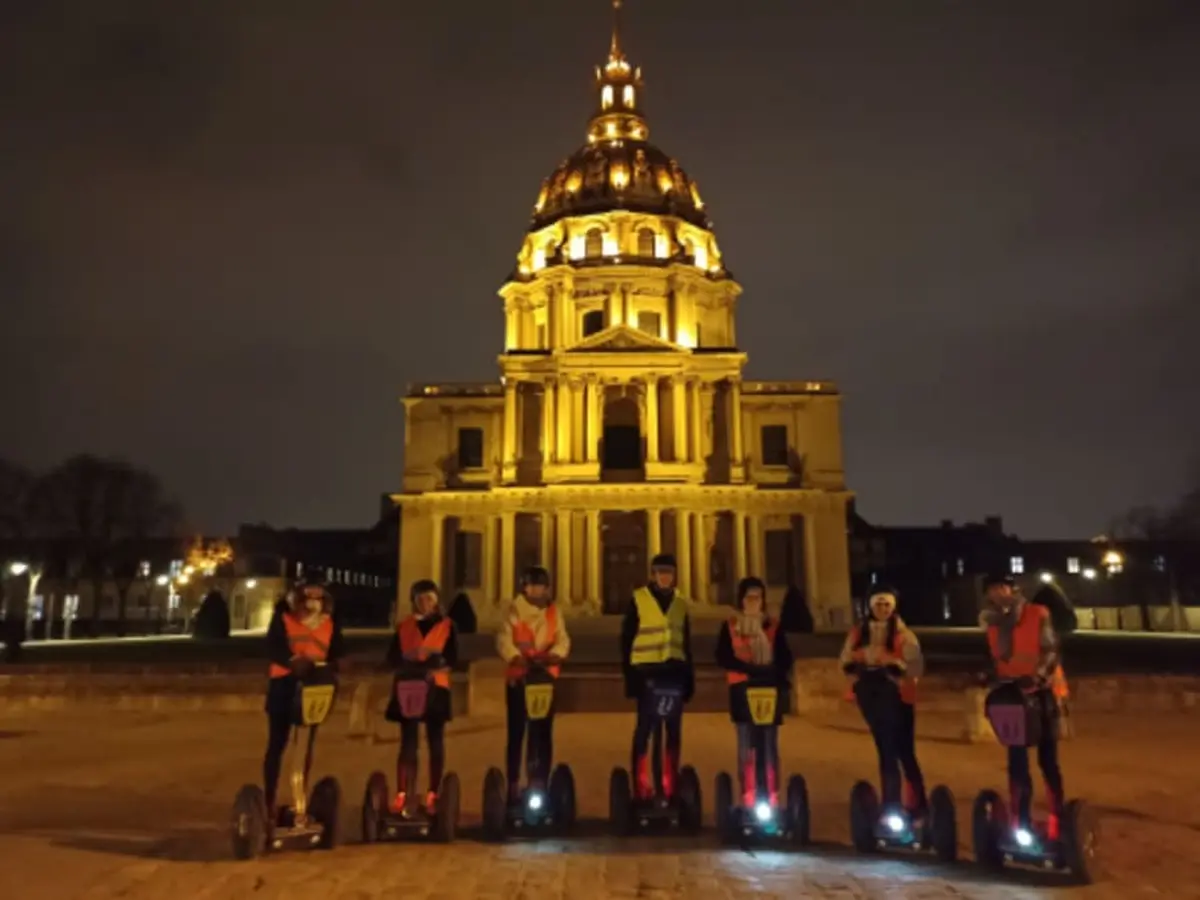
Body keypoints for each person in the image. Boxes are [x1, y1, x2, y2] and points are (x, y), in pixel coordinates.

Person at [979, 573, 1067, 837]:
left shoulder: (1038, 613)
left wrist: (1037, 677)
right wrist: (989, 675)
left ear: (1013, 590)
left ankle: (1057, 818)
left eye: (1003, 588)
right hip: (1012, 694)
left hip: (1043, 692)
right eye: (993, 589)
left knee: (1047, 759)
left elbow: (1051, 650)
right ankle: (1020, 819)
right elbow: (998, 660)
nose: (998, 594)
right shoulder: (992, 624)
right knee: (1016, 759)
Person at [839, 586, 928, 817]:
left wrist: (895, 666)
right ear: (871, 606)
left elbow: (916, 666)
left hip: (900, 698)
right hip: (871, 695)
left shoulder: (904, 634)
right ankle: (892, 805)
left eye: (887, 605)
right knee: (886, 749)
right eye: (878, 604)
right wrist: (856, 668)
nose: (883, 609)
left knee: (904, 751)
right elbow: (845, 660)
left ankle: (916, 803)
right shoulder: (859, 632)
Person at [263, 573, 345, 817]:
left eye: (317, 593)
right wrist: (291, 661)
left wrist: (336, 664)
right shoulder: (284, 619)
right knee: (278, 743)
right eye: (308, 593)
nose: (313, 599)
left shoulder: (329, 623)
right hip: (284, 686)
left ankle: (301, 798)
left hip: (314, 688)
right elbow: (272, 647)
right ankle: (269, 800)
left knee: (306, 746)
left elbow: (337, 649)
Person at [620, 553, 694, 802]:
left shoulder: (681, 603)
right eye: (660, 572)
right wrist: (629, 676)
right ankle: (641, 785)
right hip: (646, 673)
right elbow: (627, 639)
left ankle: (670, 783)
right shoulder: (639, 599)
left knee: (673, 731)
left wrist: (689, 677)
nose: (665, 577)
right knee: (645, 728)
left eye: (669, 573)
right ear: (653, 575)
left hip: (673, 673)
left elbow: (686, 641)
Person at [714, 576, 794, 808]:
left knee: (769, 743)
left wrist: (772, 671)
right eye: (749, 598)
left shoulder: (772, 626)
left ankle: (771, 795)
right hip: (742, 689)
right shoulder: (731, 625)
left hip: (768, 689)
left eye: (757, 598)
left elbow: (785, 657)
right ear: (741, 600)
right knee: (746, 742)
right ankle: (748, 795)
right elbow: (723, 656)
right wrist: (747, 668)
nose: (753, 602)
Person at [495, 565, 570, 802]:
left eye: (540, 586)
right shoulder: (514, 611)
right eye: (532, 585)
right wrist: (515, 657)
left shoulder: (553, 612)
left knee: (543, 734)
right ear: (525, 588)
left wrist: (557, 654)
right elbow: (503, 639)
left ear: (547, 589)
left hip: (545, 678)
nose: (536, 590)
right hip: (520, 678)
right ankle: (514, 783)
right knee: (517, 733)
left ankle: (540, 781)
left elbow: (562, 638)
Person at [383, 578, 458, 813]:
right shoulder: (405, 626)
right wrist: (408, 658)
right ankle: (404, 793)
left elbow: (454, 657)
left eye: (430, 599)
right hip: (409, 687)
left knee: (435, 742)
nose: (425, 603)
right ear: (414, 601)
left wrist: (438, 661)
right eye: (421, 599)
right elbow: (392, 657)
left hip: (436, 687)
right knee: (408, 743)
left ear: (436, 601)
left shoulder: (447, 625)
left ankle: (433, 792)